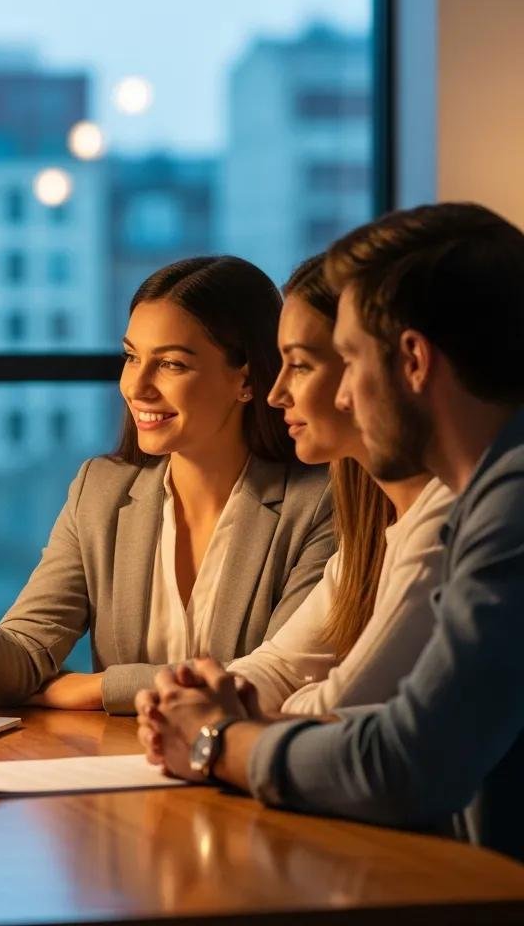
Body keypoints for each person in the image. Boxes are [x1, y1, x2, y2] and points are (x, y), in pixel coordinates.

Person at [136, 202, 524, 861]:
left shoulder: (510, 505)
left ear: (413, 360)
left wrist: (218, 741)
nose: (342, 397)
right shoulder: (484, 499)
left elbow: (410, 758)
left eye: (347, 359)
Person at [0, 256, 334, 714]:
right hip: (123, 790)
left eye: (170, 363)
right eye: (130, 357)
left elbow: (271, 681)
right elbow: (22, 664)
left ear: (246, 377)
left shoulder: (319, 502)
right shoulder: (102, 490)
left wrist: (91, 689)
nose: (137, 386)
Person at [227, 255, 455, 715]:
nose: (275, 394)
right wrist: (203, 693)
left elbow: (344, 706)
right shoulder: (370, 527)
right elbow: (280, 666)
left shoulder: (448, 518)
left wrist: (222, 714)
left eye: (302, 365)